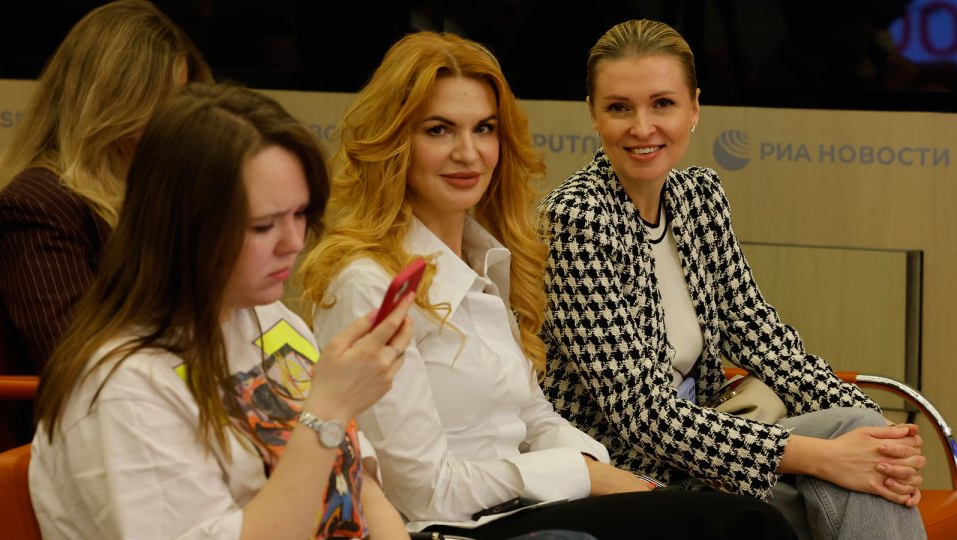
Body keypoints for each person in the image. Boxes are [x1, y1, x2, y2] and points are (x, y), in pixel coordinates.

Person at [301, 31, 798, 540]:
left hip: (533, 502)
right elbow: (423, 493)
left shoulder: (488, 259)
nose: (468, 153)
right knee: (744, 521)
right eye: (439, 130)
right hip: (456, 526)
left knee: (748, 511)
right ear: (394, 142)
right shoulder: (367, 285)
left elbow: (536, 418)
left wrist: (604, 475)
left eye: (484, 129)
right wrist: (582, 476)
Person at [537, 18, 927, 539]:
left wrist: (888, 439)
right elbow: (643, 416)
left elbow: (765, 341)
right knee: (852, 467)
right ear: (593, 113)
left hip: (708, 458)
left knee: (863, 434)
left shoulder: (699, 197)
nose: (642, 127)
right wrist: (825, 456)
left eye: (663, 103)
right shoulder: (576, 219)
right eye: (619, 108)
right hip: (627, 477)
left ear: (694, 108)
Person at [29, 83, 415, 540]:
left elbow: (362, 490)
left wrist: (332, 410)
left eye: (299, 214)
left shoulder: (271, 319)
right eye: (263, 226)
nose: (294, 243)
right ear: (184, 226)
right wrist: (329, 409)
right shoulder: (123, 387)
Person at [0, 0, 212, 376]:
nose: (179, 119)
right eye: (165, 100)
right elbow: (79, 363)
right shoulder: (36, 204)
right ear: (114, 105)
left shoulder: (158, 195)